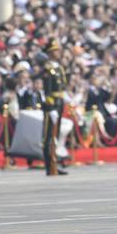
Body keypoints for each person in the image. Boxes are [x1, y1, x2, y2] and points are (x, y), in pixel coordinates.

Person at [42, 39, 68, 176]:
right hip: (51, 105)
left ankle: (55, 164)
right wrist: (50, 106)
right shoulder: (48, 69)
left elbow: (62, 86)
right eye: (56, 50)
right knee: (48, 137)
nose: (59, 52)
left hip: (59, 103)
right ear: (51, 53)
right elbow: (47, 91)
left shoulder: (58, 68)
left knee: (55, 136)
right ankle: (49, 166)